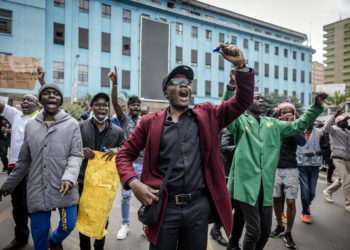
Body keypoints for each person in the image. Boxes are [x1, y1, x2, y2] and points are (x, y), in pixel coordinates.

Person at [116, 44, 254, 249]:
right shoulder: (149, 122)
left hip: (198, 207)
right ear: (166, 92)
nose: (184, 85)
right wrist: (134, 184)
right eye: (177, 82)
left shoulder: (208, 115)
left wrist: (241, 66)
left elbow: (242, 100)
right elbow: (124, 155)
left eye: (187, 82)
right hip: (164, 207)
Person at [222, 84, 326, 250]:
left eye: (263, 98)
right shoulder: (240, 121)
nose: (261, 100)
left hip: (266, 186)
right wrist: (231, 86)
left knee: (264, 233)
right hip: (246, 186)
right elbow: (226, 112)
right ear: (247, 102)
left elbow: (298, 126)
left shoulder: (273, 124)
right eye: (257, 98)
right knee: (253, 231)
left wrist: (316, 106)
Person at [0, 83, 84, 250]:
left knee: (69, 225)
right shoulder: (31, 125)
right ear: (41, 101)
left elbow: (76, 155)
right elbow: (23, 161)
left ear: (60, 100)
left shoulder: (72, 124)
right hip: (37, 186)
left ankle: (55, 239)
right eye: (46, 93)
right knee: (40, 233)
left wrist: (69, 177)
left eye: (55, 93)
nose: (51, 96)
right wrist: (8, 184)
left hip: (64, 186)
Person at [0, 67, 45, 250]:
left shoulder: (42, 117)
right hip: (14, 167)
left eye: (30, 100)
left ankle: (42, 239)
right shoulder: (15, 115)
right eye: (23, 100)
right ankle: (21, 238)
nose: (25, 102)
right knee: (17, 204)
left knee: (32, 205)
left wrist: (42, 82)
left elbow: (51, 102)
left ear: (37, 105)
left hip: (33, 167)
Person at [77, 92, 125, 250]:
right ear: (92, 108)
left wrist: (117, 149)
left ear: (108, 108)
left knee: (102, 215)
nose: (102, 108)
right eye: (97, 104)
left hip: (105, 183)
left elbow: (126, 148)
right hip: (84, 179)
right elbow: (69, 147)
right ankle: (85, 247)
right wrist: (81, 150)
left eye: (105, 105)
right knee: (83, 215)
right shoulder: (81, 127)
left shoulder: (117, 131)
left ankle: (99, 246)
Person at [108, 66, 144, 239]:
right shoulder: (124, 119)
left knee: (147, 195)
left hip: (144, 163)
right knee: (125, 196)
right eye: (133, 104)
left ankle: (146, 226)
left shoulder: (146, 120)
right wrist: (115, 84)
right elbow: (115, 103)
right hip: (128, 163)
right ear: (129, 107)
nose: (136, 106)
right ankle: (125, 224)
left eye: (138, 104)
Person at [270, 102, 306, 249]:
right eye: (282, 112)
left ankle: (288, 233)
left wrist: (292, 125)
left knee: (291, 202)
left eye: (289, 112)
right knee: (276, 199)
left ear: (294, 113)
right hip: (274, 169)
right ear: (278, 114)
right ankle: (279, 225)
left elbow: (302, 142)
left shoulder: (296, 125)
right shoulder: (273, 125)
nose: (285, 114)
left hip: (291, 168)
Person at [322, 111, 350, 212]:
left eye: (346, 121)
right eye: (343, 121)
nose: (345, 123)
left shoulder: (348, 132)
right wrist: (334, 116)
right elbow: (326, 126)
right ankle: (348, 204)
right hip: (337, 158)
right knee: (346, 180)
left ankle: (328, 191)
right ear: (337, 122)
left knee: (341, 179)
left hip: (348, 159)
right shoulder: (333, 130)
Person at [296, 124, 324, 224]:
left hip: (315, 166)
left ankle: (307, 204)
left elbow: (326, 149)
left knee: (312, 192)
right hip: (301, 166)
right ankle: (305, 212)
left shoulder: (319, 132)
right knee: (305, 191)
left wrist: (313, 153)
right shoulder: (298, 131)